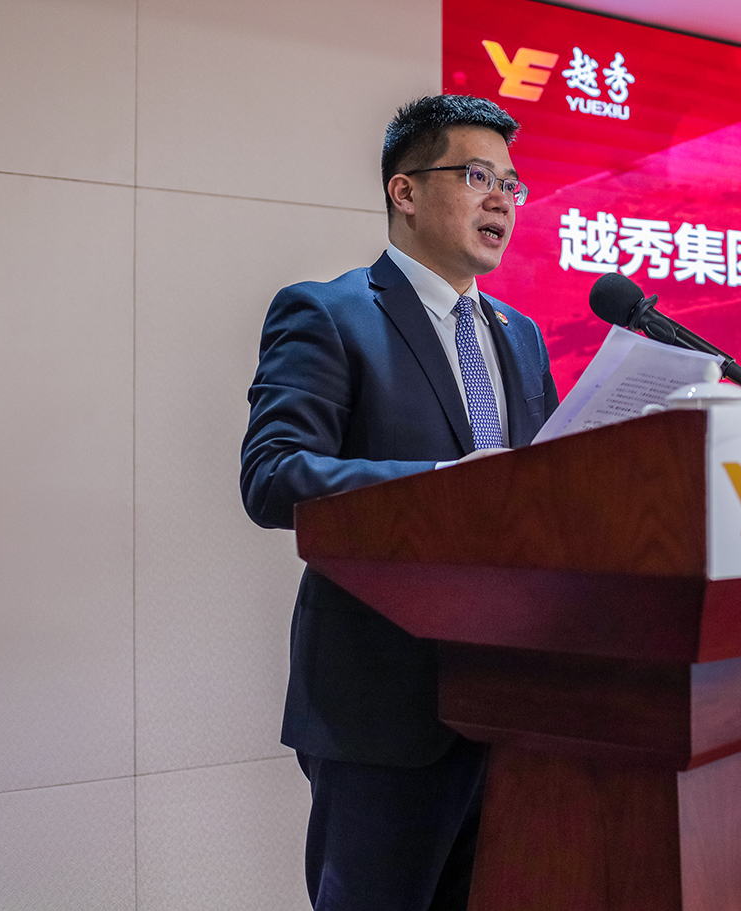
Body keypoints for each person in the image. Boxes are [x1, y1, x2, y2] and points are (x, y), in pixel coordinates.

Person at [240, 94, 560, 911]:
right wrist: (453, 482)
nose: (501, 200)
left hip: (517, 703)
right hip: (383, 707)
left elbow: (542, 492)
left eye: (512, 184)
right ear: (405, 190)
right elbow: (274, 475)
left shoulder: (521, 335)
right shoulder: (329, 312)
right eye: (478, 176)